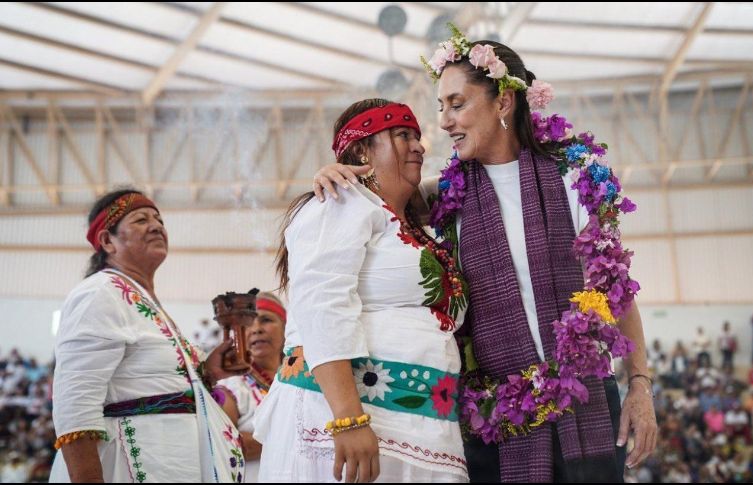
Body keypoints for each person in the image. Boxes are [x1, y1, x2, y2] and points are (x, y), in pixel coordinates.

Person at [313, 31, 657, 482]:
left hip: (587, 401)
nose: (445, 122)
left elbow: (616, 289)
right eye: (441, 107)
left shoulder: (575, 176)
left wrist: (639, 384)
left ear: (502, 103)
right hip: (498, 420)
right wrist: (336, 170)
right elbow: (376, 193)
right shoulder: (442, 197)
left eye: (456, 104)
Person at [253, 99, 469, 483]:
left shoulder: (409, 220)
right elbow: (322, 304)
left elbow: (479, 180)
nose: (419, 146)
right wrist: (348, 419)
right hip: (346, 424)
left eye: (418, 137)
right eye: (403, 135)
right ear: (360, 150)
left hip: (420, 428)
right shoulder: (340, 200)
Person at [50, 189, 245, 483]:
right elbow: (75, 402)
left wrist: (208, 371)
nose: (156, 226)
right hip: (128, 466)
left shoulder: (141, 300)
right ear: (107, 241)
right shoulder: (99, 293)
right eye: (141, 220)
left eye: (159, 220)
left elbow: (151, 382)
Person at [217, 292, 286, 482]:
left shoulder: (301, 381)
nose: (256, 329)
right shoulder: (230, 387)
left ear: (286, 328)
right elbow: (223, 445)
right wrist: (289, 439)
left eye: (266, 320)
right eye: (249, 323)